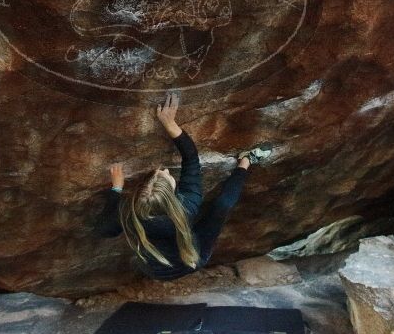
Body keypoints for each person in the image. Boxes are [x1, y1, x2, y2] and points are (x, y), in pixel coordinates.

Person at [96, 93, 271, 280]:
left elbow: (105, 230)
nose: (165, 171)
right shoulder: (188, 205)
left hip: (158, 270)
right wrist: (170, 124)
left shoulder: (128, 214)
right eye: (167, 177)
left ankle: (246, 160)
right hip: (194, 258)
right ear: (173, 196)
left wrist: (116, 188)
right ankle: (246, 160)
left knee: (215, 214)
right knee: (222, 206)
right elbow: (191, 160)